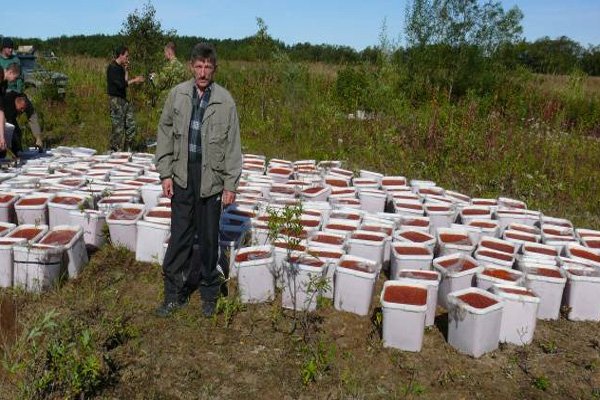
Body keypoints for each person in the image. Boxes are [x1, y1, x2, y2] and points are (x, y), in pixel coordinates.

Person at [154, 42, 242, 318]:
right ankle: (173, 294)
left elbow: (233, 146)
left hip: (211, 178)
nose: (203, 72)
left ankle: (209, 294)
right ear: (192, 67)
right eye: (199, 66)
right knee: (180, 236)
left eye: (208, 67)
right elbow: (165, 131)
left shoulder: (224, 101)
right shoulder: (177, 95)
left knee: (208, 239)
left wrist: (230, 185)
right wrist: (165, 173)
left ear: (214, 70)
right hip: (182, 174)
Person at [106, 45, 144, 151]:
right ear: (121, 55)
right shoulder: (112, 68)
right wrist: (135, 80)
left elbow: (124, 81)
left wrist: (126, 71)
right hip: (116, 101)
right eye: (126, 56)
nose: (128, 58)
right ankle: (114, 151)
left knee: (131, 125)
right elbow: (121, 85)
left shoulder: (120, 68)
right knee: (118, 129)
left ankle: (128, 149)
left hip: (123, 100)